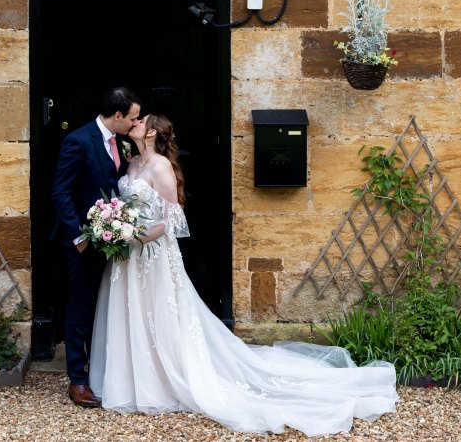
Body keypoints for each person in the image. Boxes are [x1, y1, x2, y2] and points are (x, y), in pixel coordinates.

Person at [90, 114, 398, 436]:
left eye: (141, 120)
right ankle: (133, 381)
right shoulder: (132, 163)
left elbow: (171, 222)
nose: (134, 122)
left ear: (152, 131)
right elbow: (126, 206)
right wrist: (115, 226)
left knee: (161, 315)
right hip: (128, 259)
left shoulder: (161, 167)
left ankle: (163, 381)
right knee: (135, 314)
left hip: (152, 255)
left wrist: (132, 236)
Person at [51, 87, 141, 408]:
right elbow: (60, 192)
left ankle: (100, 372)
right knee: (80, 307)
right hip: (84, 242)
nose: (134, 123)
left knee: (103, 305)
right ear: (117, 116)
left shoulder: (124, 143)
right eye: (131, 118)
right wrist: (78, 237)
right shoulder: (78, 141)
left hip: (113, 240)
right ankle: (77, 380)